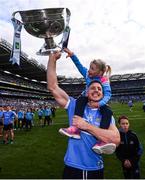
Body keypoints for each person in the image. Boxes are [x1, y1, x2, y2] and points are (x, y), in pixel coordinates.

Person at [47, 51, 120, 179]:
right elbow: (53, 87)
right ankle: (74, 130)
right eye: (93, 88)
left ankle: (97, 141)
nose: (96, 90)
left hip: (95, 169)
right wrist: (52, 60)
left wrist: (85, 126)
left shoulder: (107, 114)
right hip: (71, 167)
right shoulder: (75, 106)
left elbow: (115, 140)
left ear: (103, 94)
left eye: (99, 89)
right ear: (87, 91)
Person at [59, 47, 115, 154]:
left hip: (100, 102)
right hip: (87, 98)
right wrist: (72, 55)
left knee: (107, 112)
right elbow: (79, 66)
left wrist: (99, 104)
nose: (89, 70)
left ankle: (102, 140)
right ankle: (75, 129)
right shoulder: (87, 74)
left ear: (100, 72)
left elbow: (108, 94)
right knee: (80, 100)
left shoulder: (104, 80)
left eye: (93, 69)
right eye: (90, 67)